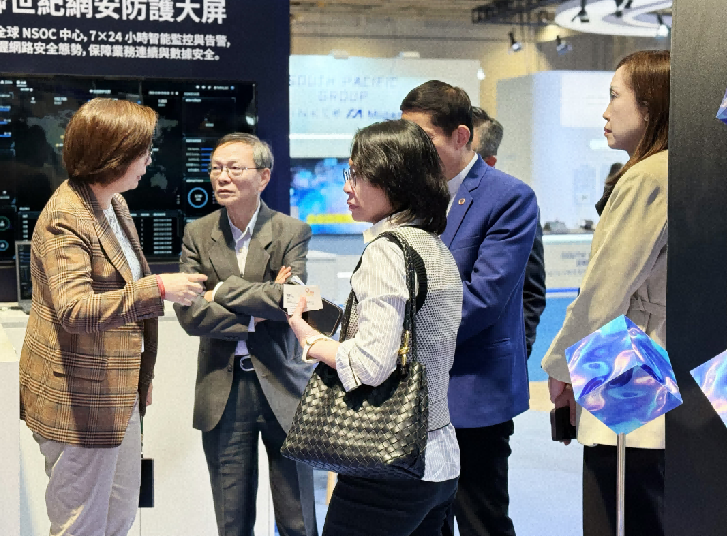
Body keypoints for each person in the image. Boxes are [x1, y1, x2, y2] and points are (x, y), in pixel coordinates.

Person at [18, 98, 207, 536]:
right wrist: (159, 288)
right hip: (77, 400)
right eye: (143, 152)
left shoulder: (113, 204)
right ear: (114, 156)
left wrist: (140, 377)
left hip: (115, 391)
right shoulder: (65, 217)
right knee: (80, 525)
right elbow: (75, 310)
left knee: (119, 515)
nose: (149, 161)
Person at [288, 119, 462, 536]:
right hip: (437, 459)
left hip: (386, 464)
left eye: (357, 174)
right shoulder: (432, 245)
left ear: (393, 179)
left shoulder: (387, 251)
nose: (347, 186)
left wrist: (309, 339)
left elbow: (371, 365)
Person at [401, 82, 538, 536]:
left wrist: (399, 332)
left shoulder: (508, 197)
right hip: (414, 395)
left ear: (461, 136)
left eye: (424, 138)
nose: (412, 149)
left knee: (481, 520)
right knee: (424, 522)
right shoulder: (412, 197)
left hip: (473, 390)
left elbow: (483, 297)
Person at [541, 49, 670, 536]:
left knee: (618, 508)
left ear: (650, 107)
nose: (605, 111)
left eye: (615, 96)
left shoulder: (648, 176)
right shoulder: (691, 168)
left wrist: (561, 367)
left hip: (634, 360)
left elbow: (604, 293)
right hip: (687, 366)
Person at [174, 133, 317, 536]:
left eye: (234, 168)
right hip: (224, 387)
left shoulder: (291, 231)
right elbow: (190, 314)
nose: (222, 177)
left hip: (283, 384)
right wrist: (260, 309)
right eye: (216, 168)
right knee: (232, 520)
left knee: (297, 519)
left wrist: (219, 291)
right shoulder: (198, 233)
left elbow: (294, 300)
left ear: (263, 176)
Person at [471, 107, 546, 359]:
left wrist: (516, 353)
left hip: (489, 360)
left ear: (489, 162)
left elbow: (531, 292)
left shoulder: (513, 203)